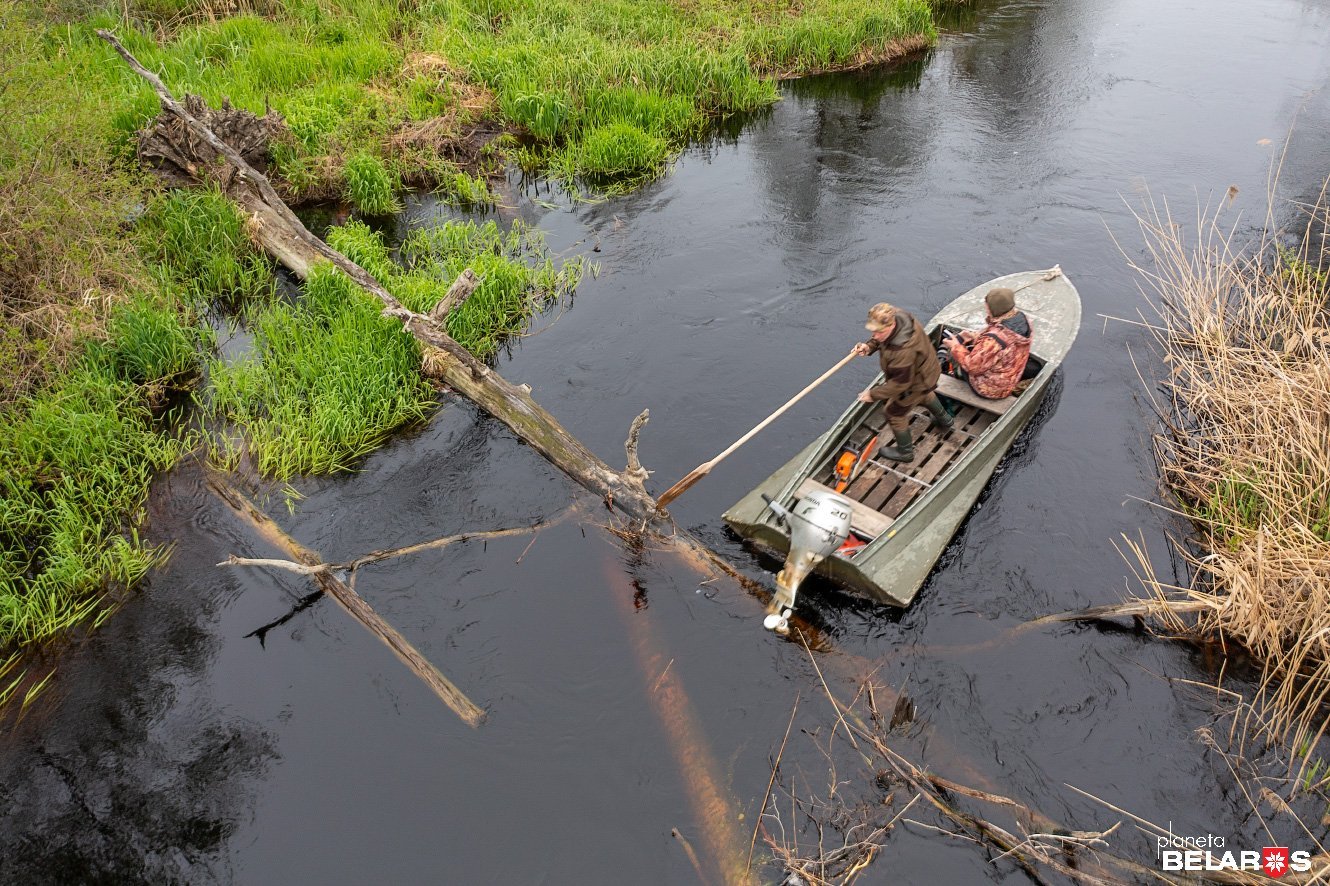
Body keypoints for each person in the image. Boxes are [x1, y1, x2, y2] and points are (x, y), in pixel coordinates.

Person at [852, 302, 953, 462]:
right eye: (873, 331)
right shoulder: (899, 316)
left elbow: (900, 384)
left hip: (914, 382)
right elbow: (882, 337)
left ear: (891, 325)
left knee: (893, 412)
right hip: (927, 372)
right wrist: (869, 346)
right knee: (924, 394)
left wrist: (872, 394)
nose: (875, 335)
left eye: (878, 332)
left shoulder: (902, 352)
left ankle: (905, 452)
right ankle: (946, 420)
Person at [941, 287, 1032, 399]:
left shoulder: (993, 341)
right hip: (1011, 376)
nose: (986, 308)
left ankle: (952, 373)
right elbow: (1005, 343)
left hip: (991, 389)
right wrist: (976, 337)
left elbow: (972, 367)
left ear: (992, 309)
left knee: (957, 357)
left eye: (987, 306)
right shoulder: (1024, 320)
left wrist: (955, 346)